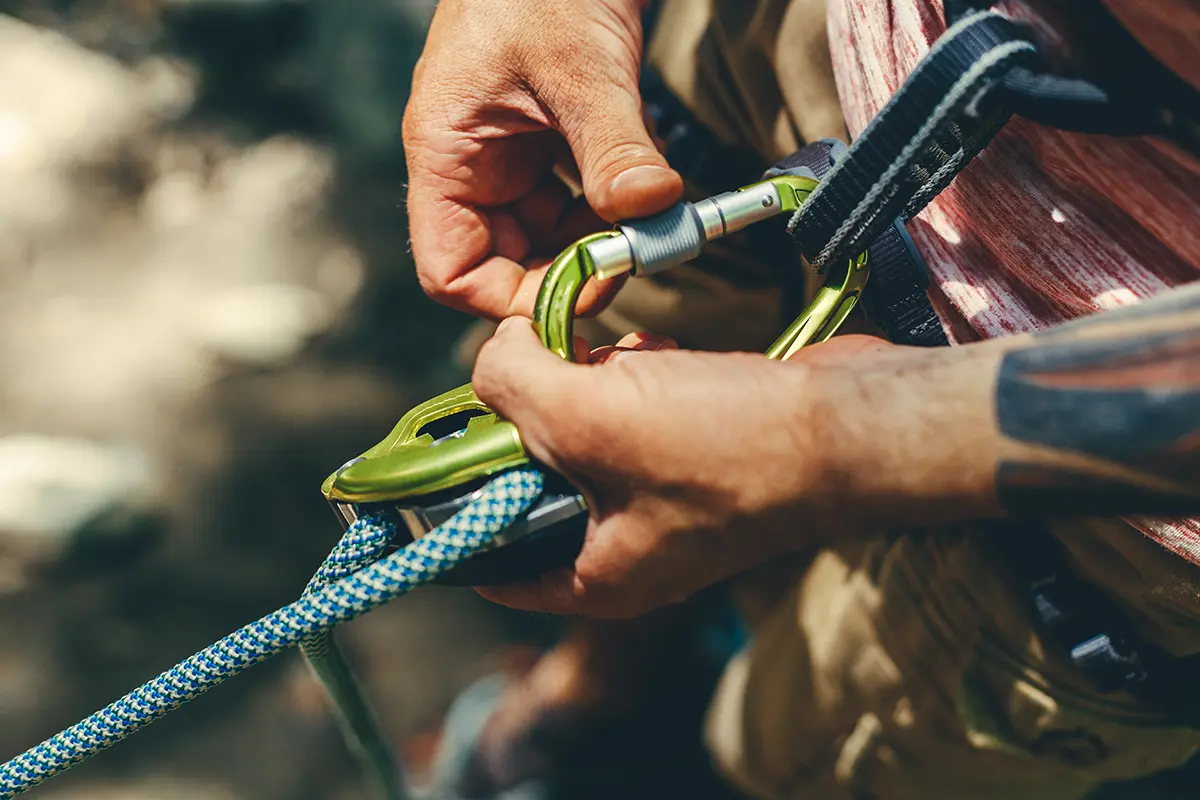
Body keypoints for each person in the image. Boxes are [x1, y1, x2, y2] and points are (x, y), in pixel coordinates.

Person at [401, 0, 1200, 797]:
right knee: (579, 434)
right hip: (811, 45)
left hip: (1101, 511)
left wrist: (825, 439)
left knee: (780, 743)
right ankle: (594, 689)